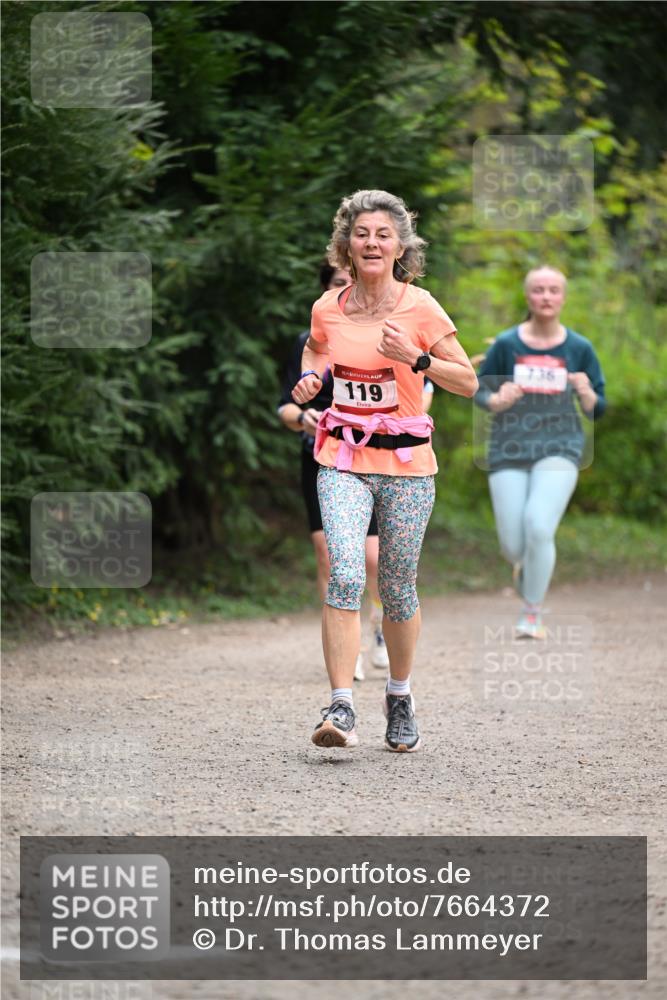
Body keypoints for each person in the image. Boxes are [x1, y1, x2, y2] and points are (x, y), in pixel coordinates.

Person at [292, 189, 477, 751]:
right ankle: (340, 705)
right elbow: (317, 353)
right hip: (342, 458)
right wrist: (311, 382)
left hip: (406, 466)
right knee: (346, 573)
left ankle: (399, 695)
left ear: (401, 246)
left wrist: (416, 360)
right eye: (361, 233)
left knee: (396, 588)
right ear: (345, 244)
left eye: (383, 234)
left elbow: (466, 381)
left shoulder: (420, 307)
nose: (371, 243)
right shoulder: (328, 306)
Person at [474, 265, 606, 638]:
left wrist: (585, 391)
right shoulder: (506, 344)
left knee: (538, 524)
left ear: (562, 297)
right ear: (528, 297)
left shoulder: (579, 349)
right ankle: (525, 570)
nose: (546, 297)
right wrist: (497, 398)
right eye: (538, 290)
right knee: (513, 547)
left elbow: (598, 407)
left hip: (560, 447)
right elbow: (479, 391)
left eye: (553, 290)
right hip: (509, 448)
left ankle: (531, 613)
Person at [278, 262, 387, 680]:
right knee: (329, 555)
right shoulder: (309, 341)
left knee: (374, 559)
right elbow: (286, 406)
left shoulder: (384, 334)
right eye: (339, 282)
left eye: (353, 281)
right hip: (322, 456)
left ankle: (378, 627)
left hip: (373, 455)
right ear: (326, 290)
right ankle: (348, 646)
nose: (348, 288)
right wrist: (304, 417)